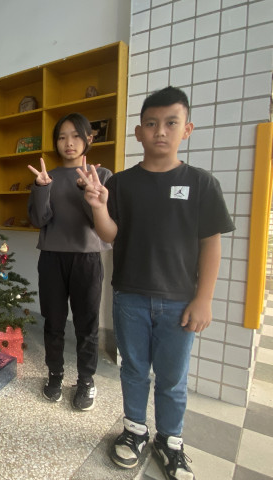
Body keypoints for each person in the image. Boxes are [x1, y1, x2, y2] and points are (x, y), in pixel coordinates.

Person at [78, 86, 235, 480]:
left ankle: (170, 440)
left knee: (172, 378)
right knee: (133, 369)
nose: (160, 131)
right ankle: (135, 430)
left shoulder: (201, 183)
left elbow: (211, 244)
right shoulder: (123, 184)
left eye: (171, 123)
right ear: (139, 132)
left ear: (187, 129)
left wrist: (204, 299)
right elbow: (111, 235)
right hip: (129, 297)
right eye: (151, 124)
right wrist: (98, 206)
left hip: (180, 301)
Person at [27, 112, 112, 411]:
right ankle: (55, 375)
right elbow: (39, 220)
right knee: (53, 322)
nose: (69, 143)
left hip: (87, 259)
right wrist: (42, 188)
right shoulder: (46, 176)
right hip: (52, 258)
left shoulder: (101, 175)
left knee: (87, 325)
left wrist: (85, 188)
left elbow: (100, 223)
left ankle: (86, 380)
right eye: (62, 137)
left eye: (76, 136)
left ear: (89, 138)